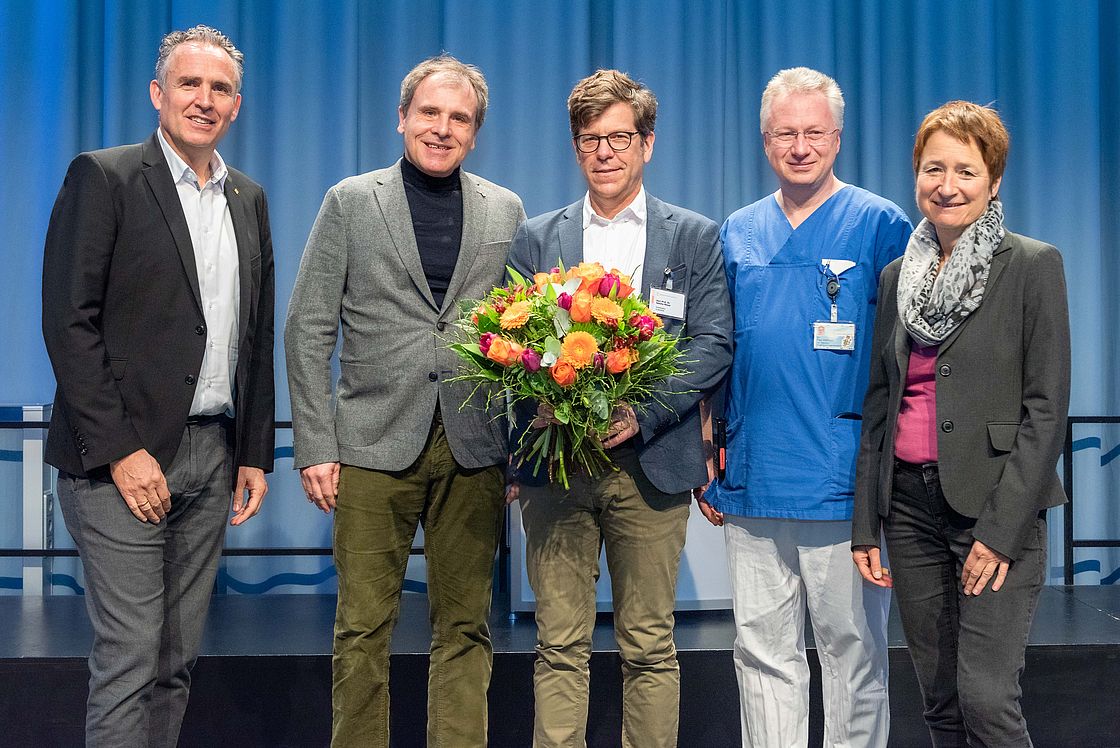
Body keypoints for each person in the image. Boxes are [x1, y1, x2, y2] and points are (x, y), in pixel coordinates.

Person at [41, 25, 274, 747]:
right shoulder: (104, 176)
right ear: (158, 93)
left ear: (237, 106)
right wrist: (120, 450)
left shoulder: (249, 198)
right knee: (131, 656)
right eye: (189, 84)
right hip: (122, 463)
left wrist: (254, 451)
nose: (204, 100)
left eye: (221, 89)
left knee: (175, 662)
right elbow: (68, 323)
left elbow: (254, 331)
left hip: (212, 453)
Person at [284, 55, 525, 747]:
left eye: (459, 118)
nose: (442, 128)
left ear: (475, 132)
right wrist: (317, 444)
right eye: (429, 113)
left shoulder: (505, 209)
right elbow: (307, 328)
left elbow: (524, 334)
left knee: (465, 626)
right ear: (402, 117)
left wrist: (513, 447)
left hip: (474, 446)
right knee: (362, 626)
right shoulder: (351, 200)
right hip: (369, 441)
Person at [508, 69, 733, 748]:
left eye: (618, 137)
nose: (604, 152)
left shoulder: (692, 236)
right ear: (576, 149)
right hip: (558, 470)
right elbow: (510, 344)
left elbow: (713, 342)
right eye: (590, 139)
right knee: (560, 644)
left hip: (653, 465)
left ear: (647, 143)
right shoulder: (536, 237)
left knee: (648, 644)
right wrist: (537, 406)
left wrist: (646, 413)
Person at [700, 67, 911, 747]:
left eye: (813, 132)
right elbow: (716, 351)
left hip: (843, 482)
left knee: (853, 653)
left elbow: (906, 358)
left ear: (838, 138)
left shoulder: (880, 225)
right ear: (765, 141)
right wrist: (709, 448)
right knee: (762, 652)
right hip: (754, 476)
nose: (800, 146)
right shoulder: (737, 232)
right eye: (786, 133)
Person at [852, 100, 1070, 746]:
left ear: (994, 180)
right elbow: (879, 404)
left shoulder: (1031, 265)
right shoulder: (897, 277)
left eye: (966, 172)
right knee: (940, 701)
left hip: (995, 513)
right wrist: (868, 520)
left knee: (986, 699)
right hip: (911, 511)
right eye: (933, 169)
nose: (947, 186)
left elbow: (1046, 408)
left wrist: (1001, 534)